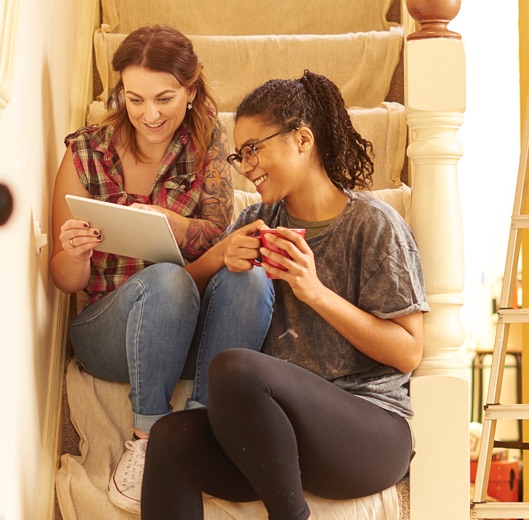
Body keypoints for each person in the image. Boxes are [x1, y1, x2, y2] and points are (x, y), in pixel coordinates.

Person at [140, 70, 429, 520]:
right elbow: (186, 303)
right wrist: (217, 257)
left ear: (302, 139)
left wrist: (313, 291)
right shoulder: (256, 219)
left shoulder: (374, 225)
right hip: (272, 440)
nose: (246, 165)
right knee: (171, 437)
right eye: (240, 154)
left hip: (366, 433)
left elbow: (408, 352)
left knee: (235, 368)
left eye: (254, 149)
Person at [50, 25, 273, 515]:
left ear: (191, 91)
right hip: (109, 330)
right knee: (167, 280)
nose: (150, 114)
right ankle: (149, 436)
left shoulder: (208, 142)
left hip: (188, 315)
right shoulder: (86, 152)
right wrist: (76, 253)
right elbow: (67, 282)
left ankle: (198, 429)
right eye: (135, 99)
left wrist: (172, 224)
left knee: (249, 277)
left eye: (165, 98)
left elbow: (217, 237)